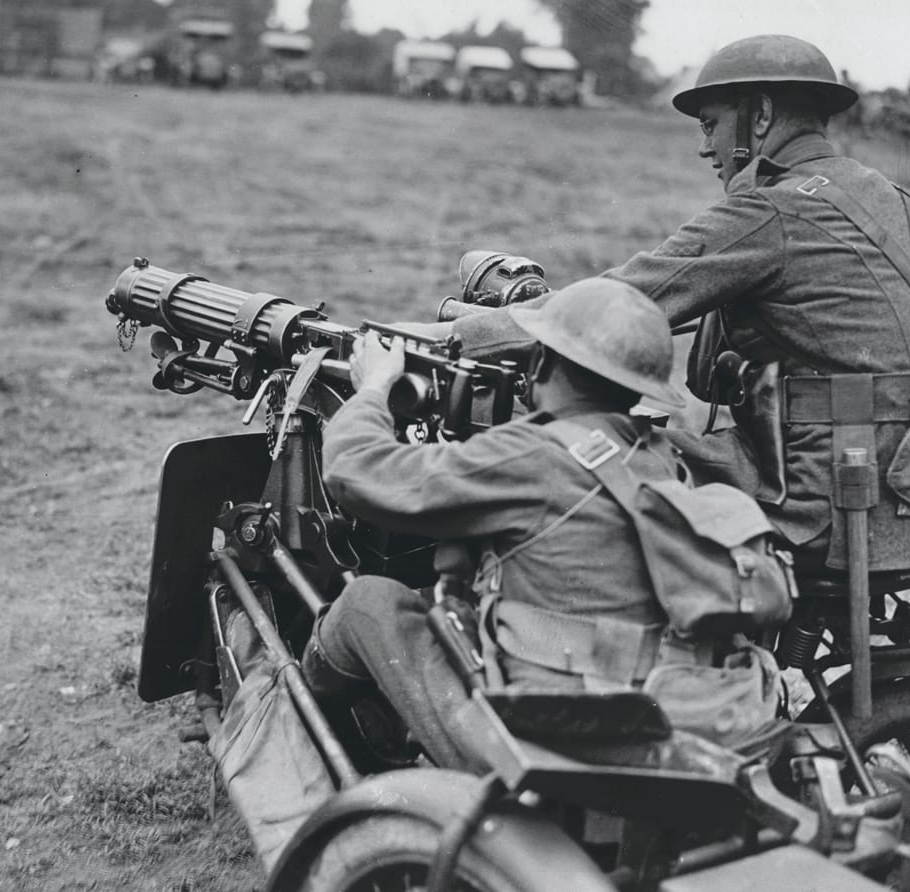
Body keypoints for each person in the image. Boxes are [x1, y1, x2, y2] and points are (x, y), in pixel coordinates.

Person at [442, 34, 910, 573]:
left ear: (761, 115)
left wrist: (434, 336)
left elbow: (608, 305)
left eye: (710, 125)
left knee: (574, 448)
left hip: (823, 504)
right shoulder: (906, 209)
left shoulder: (770, 211)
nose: (706, 148)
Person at [302, 277, 778, 771]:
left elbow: (355, 472)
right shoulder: (659, 457)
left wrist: (374, 388)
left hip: (542, 737)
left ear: (544, 362)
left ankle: (320, 759)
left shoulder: (530, 457)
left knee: (367, 603)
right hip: (650, 714)